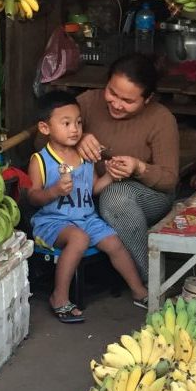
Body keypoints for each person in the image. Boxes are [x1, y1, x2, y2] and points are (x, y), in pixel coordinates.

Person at [27, 90, 147, 323]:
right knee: (79, 238)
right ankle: (59, 297)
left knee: (113, 242)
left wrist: (111, 175)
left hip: (85, 218)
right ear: (45, 128)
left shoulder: (84, 157)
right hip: (53, 222)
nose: (75, 129)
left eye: (79, 123)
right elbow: (33, 197)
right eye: (66, 123)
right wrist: (54, 191)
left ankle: (139, 290)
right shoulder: (40, 160)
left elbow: (92, 189)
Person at [75, 54, 179, 286]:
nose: (116, 104)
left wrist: (139, 168)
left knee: (115, 197)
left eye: (128, 100)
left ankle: (152, 284)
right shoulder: (88, 103)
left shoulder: (161, 119)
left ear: (148, 98)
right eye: (112, 93)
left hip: (148, 196)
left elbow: (169, 180)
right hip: (89, 192)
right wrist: (77, 138)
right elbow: (41, 140)